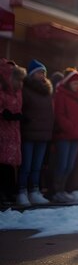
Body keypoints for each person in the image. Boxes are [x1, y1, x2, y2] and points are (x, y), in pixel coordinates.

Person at [17, 60, 54, 206]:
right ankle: (21, 192)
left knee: (37, 166)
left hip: (43, 134)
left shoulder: (47, 91)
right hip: (29, 132)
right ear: (32, 74)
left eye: (44, 72)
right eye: (39, 72)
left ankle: (34, 191)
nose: (42, 75)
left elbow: (50, 113)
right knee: (26, 165)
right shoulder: (25, 89)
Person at [52, 68, 78, 203]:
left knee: (70, 165)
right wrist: (70, 127)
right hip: (64, 135)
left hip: (76, 136)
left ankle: (62, 190)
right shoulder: (61, 95)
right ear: (68, 83)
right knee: (61, 164)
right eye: (75, 83)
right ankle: (56, 190)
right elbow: (59, 114)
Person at [0, 60, 26, 205]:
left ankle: (9, 192)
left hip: (13, 131)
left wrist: (20, 115)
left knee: (10, 163)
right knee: (3, 163)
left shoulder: (18, 92)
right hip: (3, 130)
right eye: (19, 80)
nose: (21, 83)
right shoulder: (2, 90)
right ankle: (3, 192)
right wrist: (4, 113)